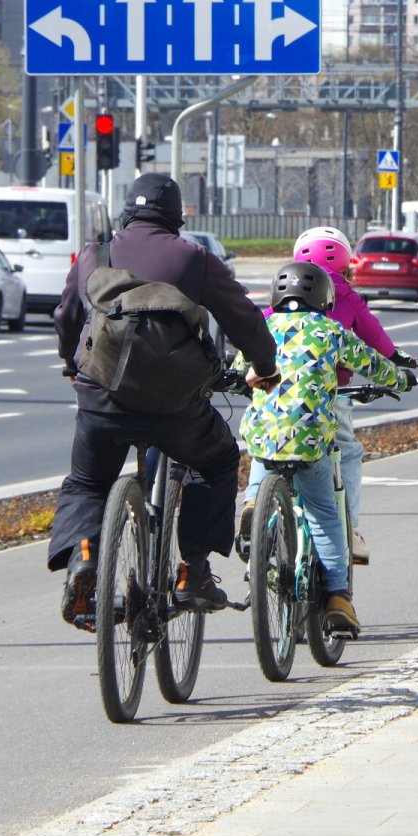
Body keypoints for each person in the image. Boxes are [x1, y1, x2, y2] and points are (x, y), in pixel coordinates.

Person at [49, 173, 279, 629]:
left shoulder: (95, 255)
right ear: (176, 217)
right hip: (174, 408)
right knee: (216, 460)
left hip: (103, 400)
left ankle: (86, 557)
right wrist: (265, 367)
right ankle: (192, 570)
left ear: (126, 213)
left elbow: (67, 318)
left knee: (86, 483)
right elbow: (244, 320)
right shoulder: (195, 259)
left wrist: (74, 364)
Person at [239, 261, 413, 634]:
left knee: (262, 446)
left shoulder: (264, 327)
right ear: (324, 299)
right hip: (312, 442)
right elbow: (374, 366)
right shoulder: (332, 331)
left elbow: (241, 369)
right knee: (325, 514)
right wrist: (399, 379)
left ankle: (254, 503)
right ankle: (337, 597)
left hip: (266, 436)